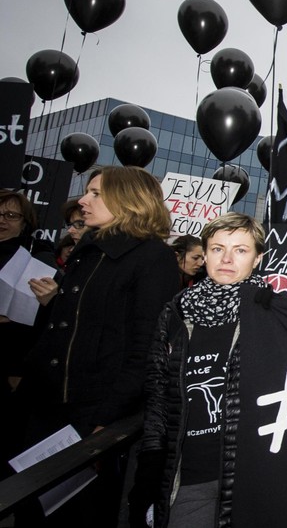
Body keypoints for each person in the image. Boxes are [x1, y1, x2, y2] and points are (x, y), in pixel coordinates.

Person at [19, 167, 178, 527]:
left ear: (128, 200)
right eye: (86, 192)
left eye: (95, 194)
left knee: (78, 514)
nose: (83, 201)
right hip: (47, 405)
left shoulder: (151, 258)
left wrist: (105, 420)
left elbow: (147, 347)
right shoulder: (86, 251)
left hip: (94, 415)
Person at [130, 213, 269, 528]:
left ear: (258, 258)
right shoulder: (175, 313)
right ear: (205, 254)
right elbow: (157, 395)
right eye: (218, 248)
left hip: (249, 472)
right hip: (188, 472)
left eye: (241, 250)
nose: (227, 258)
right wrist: (151, 469)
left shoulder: (272, 312)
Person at [0, 191, 56, 467]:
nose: (3, 220)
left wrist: (17, 370)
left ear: (25, 223)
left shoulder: (34, 263)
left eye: (11, 215)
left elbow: (39, 327)